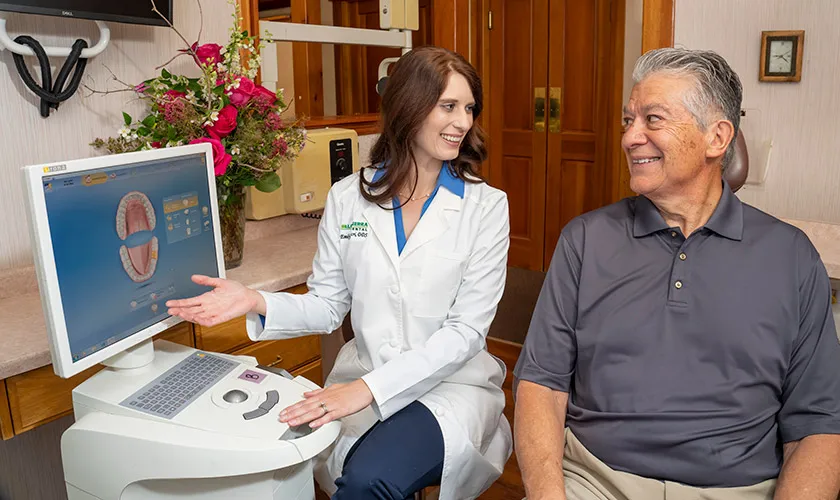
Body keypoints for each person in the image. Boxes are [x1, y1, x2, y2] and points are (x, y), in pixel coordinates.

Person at [167, 46, 512, 500]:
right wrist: (255, 300)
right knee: (295, 452)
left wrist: (368, 390)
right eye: (448, 106)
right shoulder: (350, 197)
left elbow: (465, 332)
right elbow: (329, 305)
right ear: (409, 106)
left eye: (469, 109)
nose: (463, 122)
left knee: (370, 480)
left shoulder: (486, 207)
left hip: (449, 385)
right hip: (364, 373)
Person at [513, 47, 840, 500]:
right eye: (628, 121)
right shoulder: (586, 240)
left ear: (717, 138)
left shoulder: (791, 257)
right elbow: (540, 384)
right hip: (595, 480)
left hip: (737, 491)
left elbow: (819, 425)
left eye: (653, 119)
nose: (630, 137)